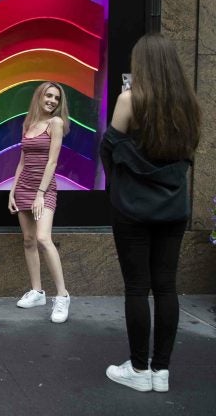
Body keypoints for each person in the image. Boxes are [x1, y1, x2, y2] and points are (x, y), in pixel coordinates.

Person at [101, 33, 201, 392]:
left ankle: (139, 370)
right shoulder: (188, 105)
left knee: (136, 289)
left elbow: (108, 150)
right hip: (173, 208)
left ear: (141, 65)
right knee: (166, 288)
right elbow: (188, 153)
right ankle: (161, 372)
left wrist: (119, 188)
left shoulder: (129, 100)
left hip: (132, 209)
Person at [7, 81, 71, 323]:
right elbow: (22, 162)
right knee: (28, 240)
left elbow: (52, 162)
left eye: (57, 98)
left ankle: (62, 296)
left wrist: (41, 194)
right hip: (24, 187)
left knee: (44, 238)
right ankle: (37, 292)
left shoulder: (56, 123)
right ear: (39, 97)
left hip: (43, 189)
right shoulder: (29, 123)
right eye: (49, 96)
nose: (53, 101)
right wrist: (12, 192)